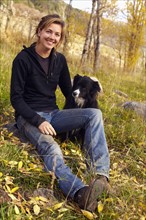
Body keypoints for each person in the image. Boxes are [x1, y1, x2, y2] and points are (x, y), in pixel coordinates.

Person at [10, 14, 110, 212]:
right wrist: (38, 120)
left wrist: (90, 89)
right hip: (29, 117)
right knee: (53, 149)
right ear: (39, 31)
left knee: (95, 115)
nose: (52, 37)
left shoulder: (59, 60)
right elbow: (16, 99)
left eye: (57, 34)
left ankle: (100, 177)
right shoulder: (22, 60)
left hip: (54, 114)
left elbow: (68, 92)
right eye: (48, 31)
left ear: (60, 38)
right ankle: (80, 192)